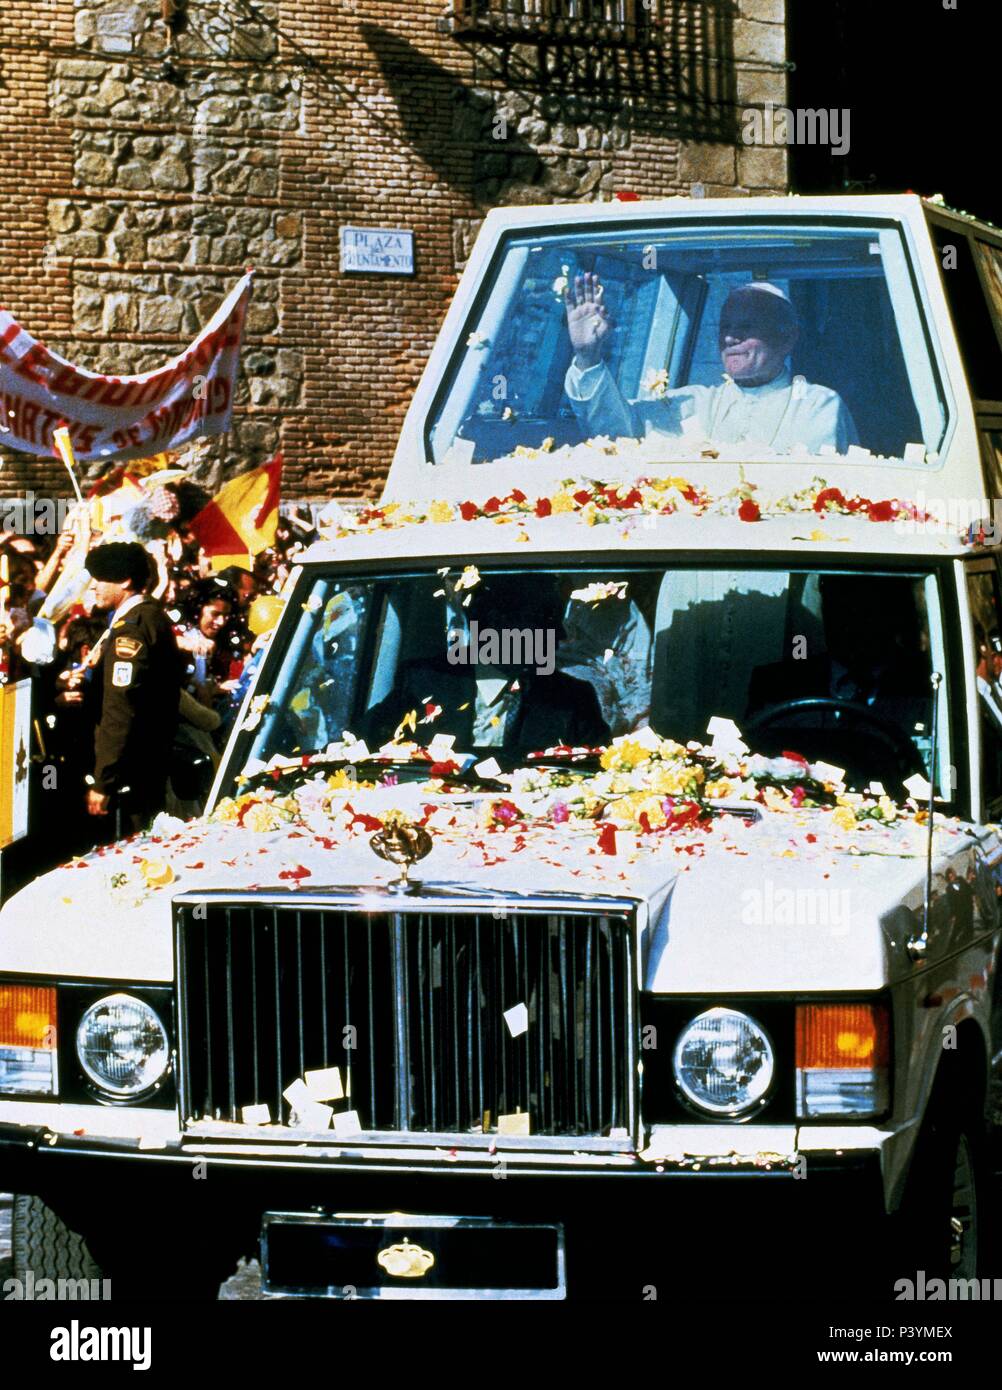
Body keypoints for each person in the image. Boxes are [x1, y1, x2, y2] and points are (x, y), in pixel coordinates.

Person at [563, 275, 858, 454]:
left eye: (745, 327)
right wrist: (588, 356)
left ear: (787, 337)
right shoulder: (693, 402)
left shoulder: (818, 405)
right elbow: (616, 432)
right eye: (725, 326)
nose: (730, 337)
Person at [84, 541, 184, 833]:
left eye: (101, 579)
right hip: (147, 761)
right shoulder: (149, 617)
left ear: (125, 581)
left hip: (132, 767)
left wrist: (104, 781)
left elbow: (120, 707)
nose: (94, 587)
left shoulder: (132, 628)